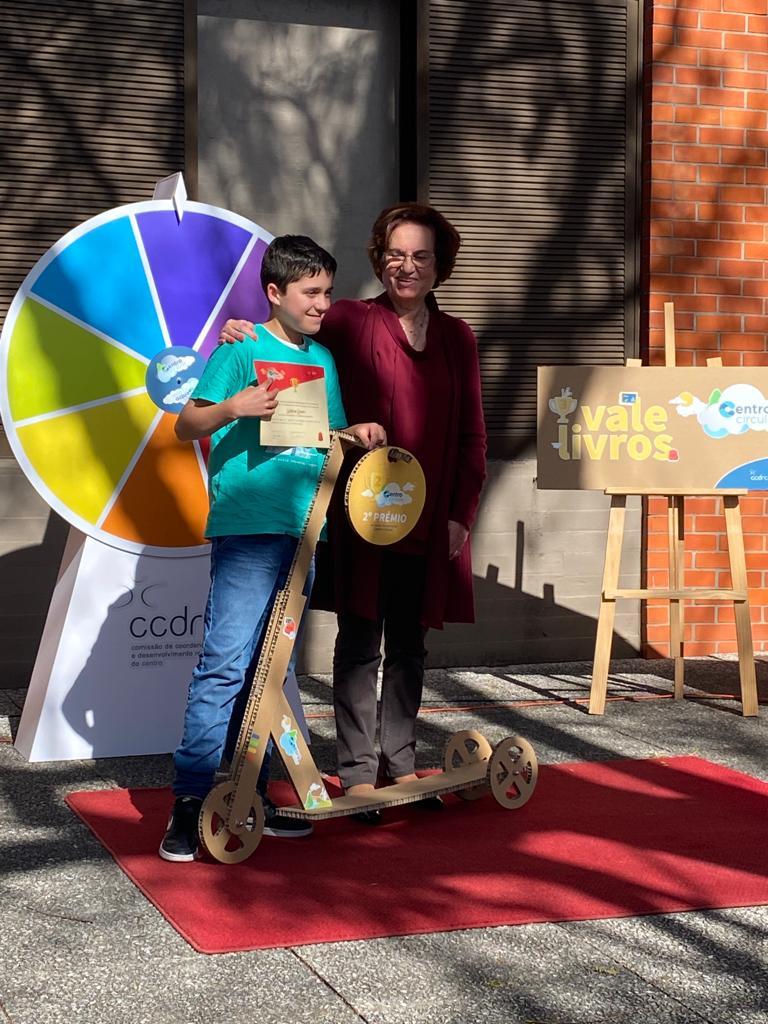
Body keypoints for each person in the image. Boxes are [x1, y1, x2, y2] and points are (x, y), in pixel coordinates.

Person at [220, 204, 486, 824]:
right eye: (395, 254)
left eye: (420, 256)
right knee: (361, 640)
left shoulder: (458, 338)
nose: (406, 266)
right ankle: (360, 772)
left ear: (439, 265)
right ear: (379, 259)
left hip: (430, 514)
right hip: (361, 514)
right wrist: (241, 332)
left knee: (411, 643)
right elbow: (288, 335)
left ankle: (402, 762)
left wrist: (461, 514)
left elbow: (472, 436)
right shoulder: (348, 319)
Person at [159, 234, 386, 862]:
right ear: (275, 292)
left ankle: (249, 796)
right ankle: (189, 802)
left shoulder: (323, 359)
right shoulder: (239, 348)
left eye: (327, 292)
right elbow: (185, 424)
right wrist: (235, 405)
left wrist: (356, 431)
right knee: (225, 665)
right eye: (310, 292)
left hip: (304, 530)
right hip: (247, 528)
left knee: (274, 671)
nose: (322, 304)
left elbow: (326, 432)